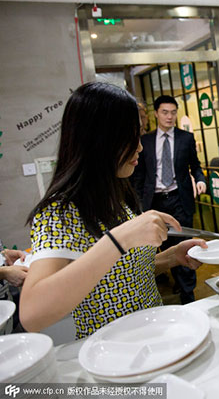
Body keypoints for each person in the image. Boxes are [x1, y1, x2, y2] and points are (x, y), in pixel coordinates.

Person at [20, 83, 207, 338]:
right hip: (111, 351)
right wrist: (121, 239)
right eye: (131, 137)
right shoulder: (60, 211)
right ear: (101, 139)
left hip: (155, 336)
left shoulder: (117, 192)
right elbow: (32, 314)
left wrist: (172, 257)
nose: (140, 147)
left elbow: (120, 275)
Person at [134, 95, 207, 304]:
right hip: (154, 202)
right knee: (163, 247)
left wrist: (200, 180)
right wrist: (138, 206)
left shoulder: (186, 138)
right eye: (165, 112)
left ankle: (188, 296)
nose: (170, 116)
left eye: (173, 112)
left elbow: (196, 166)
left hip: (179, 199)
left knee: (185, 244)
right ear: (156, 113)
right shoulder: (145, 142)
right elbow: (139, 176)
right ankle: (176, 279)